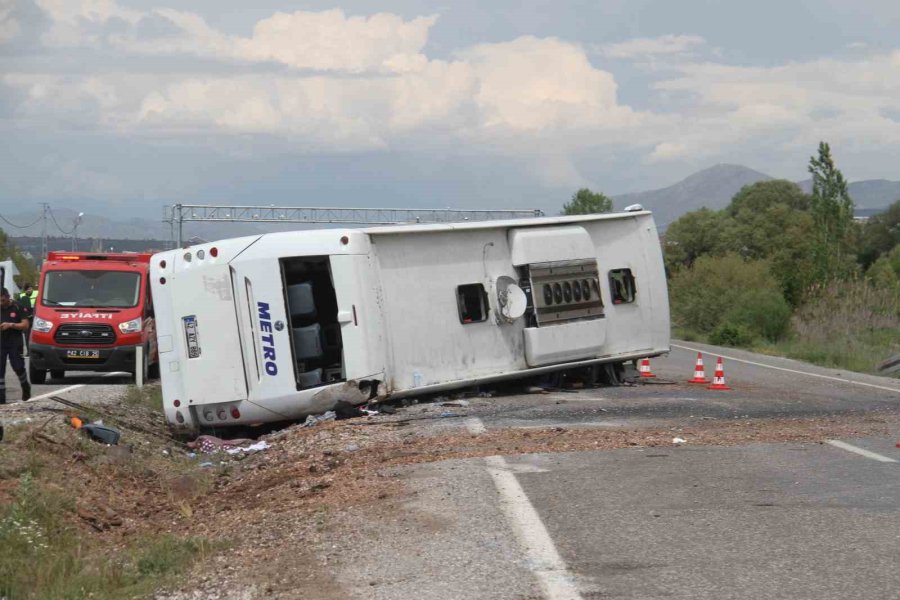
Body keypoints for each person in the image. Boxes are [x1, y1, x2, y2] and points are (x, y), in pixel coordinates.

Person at [0, 287, 31, 403]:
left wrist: (11, 325)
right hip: (1, 342)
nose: (1, 303)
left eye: (2, 300)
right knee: (0, 369)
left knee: (18, 367)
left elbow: (25, 325)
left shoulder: (18, 307)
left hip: (14, 341)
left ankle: (25, 386)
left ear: (8, 297)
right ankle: (1, 397)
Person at [17, 283, 37, 356]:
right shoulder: (21, 296)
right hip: (26, 318)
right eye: (28, 289)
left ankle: (36, 351)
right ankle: (29, 352)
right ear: (25, 290)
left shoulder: (37, 294)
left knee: (37, 335)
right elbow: (18, 307)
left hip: (35, 318)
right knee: (27, 336)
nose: (29, 290)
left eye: (30, 288)